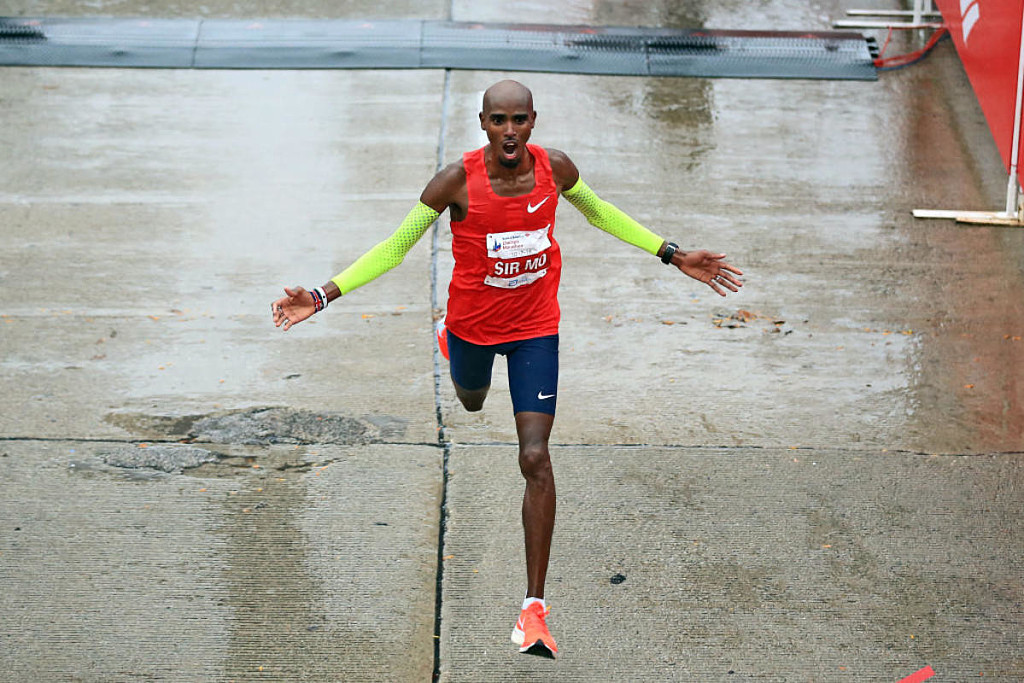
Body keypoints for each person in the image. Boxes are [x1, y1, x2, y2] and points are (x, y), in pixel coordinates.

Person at [271, 79, 742, 659]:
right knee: (471, 399)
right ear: (484, 124)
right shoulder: (454, 182)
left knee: (534, 457)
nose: (510, 131)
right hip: (472, 327)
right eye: (499, 120)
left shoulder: (555, 169)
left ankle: (533, 609)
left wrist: (672, 254)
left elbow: (599, 213)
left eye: (520, 120)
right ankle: (450, 344)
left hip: (535, 329)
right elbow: (395, 247)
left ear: (533, 121)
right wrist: (322, 296)